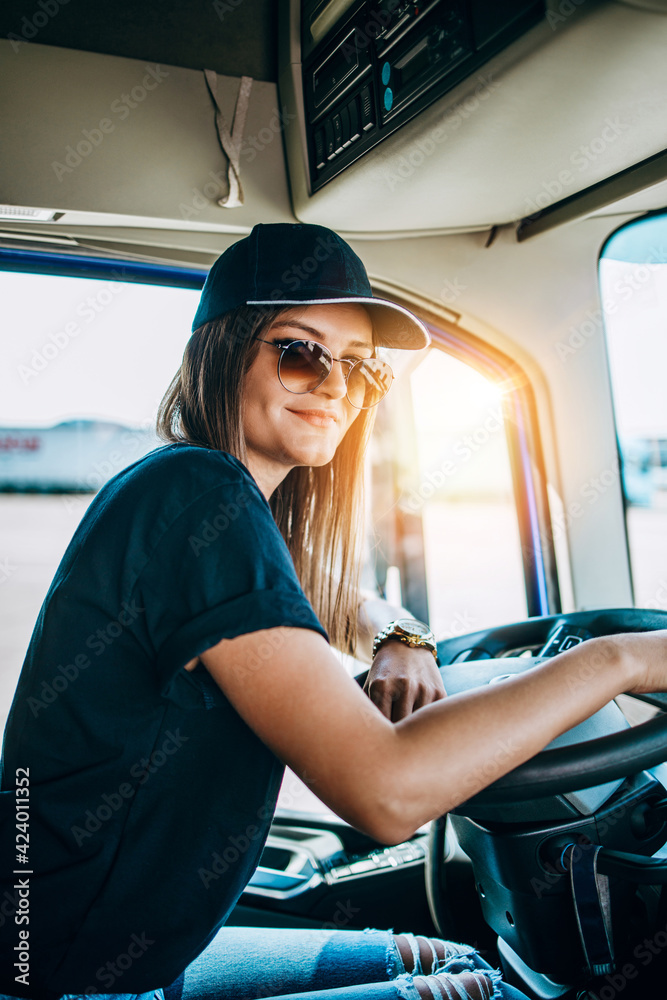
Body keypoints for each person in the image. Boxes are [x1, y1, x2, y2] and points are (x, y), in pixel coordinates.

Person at [0, 223, 665, 1000]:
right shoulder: (196, 495)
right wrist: (624, 659)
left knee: (440, 959)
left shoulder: (214, 506)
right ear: (222, 350)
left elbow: (341, 595)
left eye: (359, 368)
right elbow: (385, 793)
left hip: (93, 947)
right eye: (299, 352)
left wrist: (403, 638)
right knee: (475, 985)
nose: (335, 386)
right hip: (69, 977)